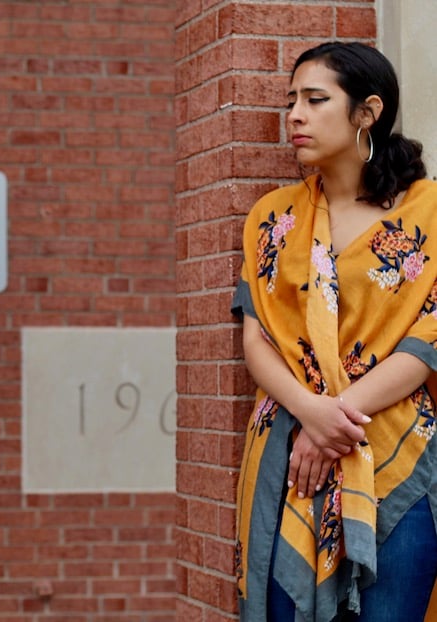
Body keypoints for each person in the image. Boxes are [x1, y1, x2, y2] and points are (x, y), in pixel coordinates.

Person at [231, 41, 437, 621]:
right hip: (290, 456)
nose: (295, 115)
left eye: (315, 99)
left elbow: (428, 340)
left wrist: (332, 424)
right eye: (290, 100)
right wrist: (310, 414)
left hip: (394, 453)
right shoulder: (272, 217)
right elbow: (257, 340)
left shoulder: (429, 212)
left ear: (367, 112)